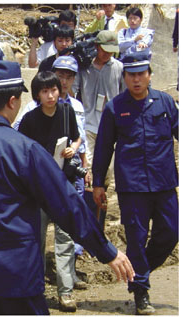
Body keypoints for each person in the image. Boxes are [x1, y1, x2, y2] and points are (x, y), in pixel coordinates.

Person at [0, 60, 134, 315]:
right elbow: (67, 205)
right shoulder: (24, 150)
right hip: (15, 282)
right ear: (12, 101)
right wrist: (106, 251)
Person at [92, 51, 178, 315]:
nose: (137, 80)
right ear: (125, 77)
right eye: (132, 75)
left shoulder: (165, 103)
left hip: (163, 184)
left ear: (149, 75)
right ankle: (141, 289)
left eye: (142, 74)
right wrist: (98, 183)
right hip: (132, 187)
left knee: (171, 232)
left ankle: (138, 271)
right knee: (136, 239)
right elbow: (104, 148)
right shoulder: (115, 108)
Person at [18, 71, 82, 312]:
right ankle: (36, 290)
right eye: (44, 91)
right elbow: (20, 151)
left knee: (65, 239)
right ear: (37, 95)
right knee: (37, 239)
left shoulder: (67, 113)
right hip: (39, 189)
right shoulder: (30, 120)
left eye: (53, 90)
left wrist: (72, 150)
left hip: (63, 184)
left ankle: (65, 292)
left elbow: (76, 138)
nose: (50, 95)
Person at [72, 30, 125, 227]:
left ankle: (99, 223)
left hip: (111, 128)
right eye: (104, 50)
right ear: (96, 47)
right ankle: (88, 225)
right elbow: (72, 89)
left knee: (107, 176)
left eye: (111, 51)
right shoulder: (84, 67)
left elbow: (123, 94)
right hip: (88, 127)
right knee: (88, 174)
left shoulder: (118, 68)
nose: (107, 54)